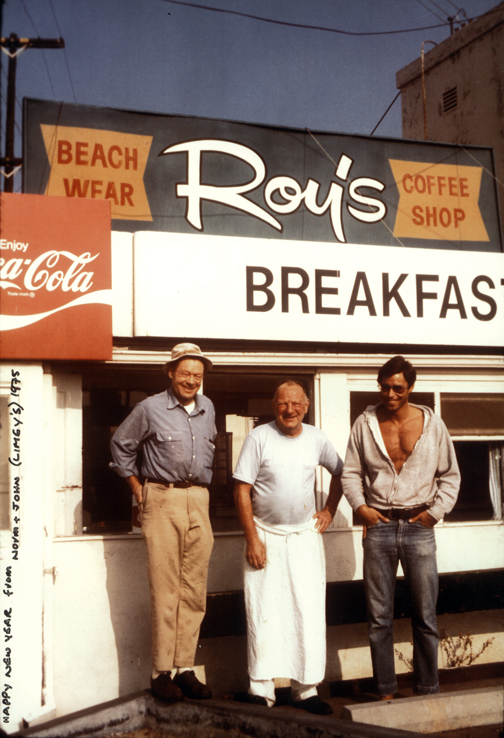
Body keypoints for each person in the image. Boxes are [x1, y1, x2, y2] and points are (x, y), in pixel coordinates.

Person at [341, 355, 460, 701]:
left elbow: (450, 475)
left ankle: (427, 689)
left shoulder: (432, 424)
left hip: (419, 527)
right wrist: (360, 507)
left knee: (425, 615)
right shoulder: (365, 423)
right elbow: (350, 471)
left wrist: (434, 513)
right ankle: (385, 692)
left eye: (398, 388)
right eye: (385, 387)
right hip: (378, 527)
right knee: (379, 617)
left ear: (410, 388)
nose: (390, 394)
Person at [110, 342, 216, 704]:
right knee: (166, 589)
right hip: (162, 497)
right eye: (184, 373)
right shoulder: (149, 408)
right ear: (170, 373)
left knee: (194, 590)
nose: (191, 380)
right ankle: (161, 673)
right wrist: (137, 487)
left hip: (198, 499)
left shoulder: (208, 408)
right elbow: (120, 445)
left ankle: (185, 668)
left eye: (197, 375)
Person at [233, 380, 343, 715]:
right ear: (273, 404)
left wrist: (329, 511)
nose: (290, 409)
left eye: (296, 403)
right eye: (283, 403)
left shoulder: (317, 438)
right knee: (263, 610)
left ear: (306, 406)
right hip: (264, 536)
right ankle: (260, 690)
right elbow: (241, 490)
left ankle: (306, 690)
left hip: (304, 537)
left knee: (306, 610)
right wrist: (253, 538)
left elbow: (342, 473)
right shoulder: (259, 437)